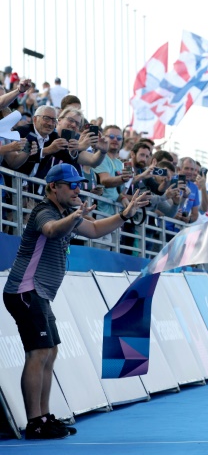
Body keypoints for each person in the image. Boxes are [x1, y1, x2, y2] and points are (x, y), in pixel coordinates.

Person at [2, 163, 149, 440]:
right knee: (38, 353)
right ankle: (34, 421)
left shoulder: (68, 212)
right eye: (71, 185)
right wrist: (73, 218)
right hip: (24, 290)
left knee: (51, 351)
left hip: (40, 293)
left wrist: (124, 214)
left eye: (78, 184)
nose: (77, 189)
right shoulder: (43, 211)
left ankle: (43, 417)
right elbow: (50, 231)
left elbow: (93, 230)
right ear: (53, 188)